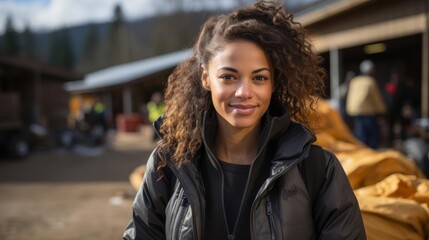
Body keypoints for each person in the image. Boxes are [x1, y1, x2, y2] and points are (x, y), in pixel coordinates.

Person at [123, 1, 366, 239]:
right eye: (229, 77)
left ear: (274, 83)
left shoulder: (317, 170)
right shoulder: (169, 164)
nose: (244, 92)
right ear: (206, 79)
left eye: (259, 78)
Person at [346, 60, 386, 149]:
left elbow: (350, 96)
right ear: (371, 71)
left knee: (360, 134)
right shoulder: (370, 81)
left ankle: (361, 151)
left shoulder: (355, 81)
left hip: (354, 112)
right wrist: (382, 111)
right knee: (371, 136)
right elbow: (376, 99)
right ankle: (370, 153)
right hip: (367, 113)